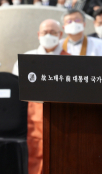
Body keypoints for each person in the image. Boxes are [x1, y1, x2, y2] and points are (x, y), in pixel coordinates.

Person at [11, 19, 68, 174]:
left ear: (60, 34)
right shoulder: (27, 59)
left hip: (63, 114)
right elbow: (16, 87)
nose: (48, 35)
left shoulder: (71, 59)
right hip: (32, 114)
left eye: (53, 32)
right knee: (35, 151)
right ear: (38, 34)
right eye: (45, 32)